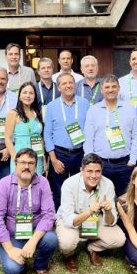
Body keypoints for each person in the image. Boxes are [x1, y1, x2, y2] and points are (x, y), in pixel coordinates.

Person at [0, 148, 58, 274]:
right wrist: (9, 249)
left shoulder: (43, 183)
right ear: (15, 164)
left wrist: (33, 241)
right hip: (12, 235)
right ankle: (16, 254)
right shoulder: (4, 183)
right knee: (13, 270)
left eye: (31, 163)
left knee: (51, 239)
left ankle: (40, 266)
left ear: (35, 165)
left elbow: (49, 215)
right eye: (22, 162)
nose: (26, 166)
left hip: (34, 232)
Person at [55, 153, 124, 271]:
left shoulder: (108, 184)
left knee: (119, 239)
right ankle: (69, 255)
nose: (94, 175)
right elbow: (67, 220)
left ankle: (93, 247)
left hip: (95, 219)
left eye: (98, 171)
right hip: (73, 219)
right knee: (66, 243)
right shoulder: (69, 184)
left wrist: (108, 211)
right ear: (81, 170)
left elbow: (111, 222)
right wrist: (89, 211)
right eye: (89, 171)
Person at [83, 74, 137, 196]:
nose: (111, 90)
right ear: (102, 89)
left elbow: (136, 134)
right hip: (101, 164)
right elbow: (88, 138)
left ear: (119, 88)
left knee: (124, 199)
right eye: (107, 87)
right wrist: (90, 162)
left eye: (114, 86)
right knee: (100, 198)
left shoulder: (129, 109)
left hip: (124, 164)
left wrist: (132, 159)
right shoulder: (93, 110)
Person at [44, 73, 91, 207]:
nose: (68, 85)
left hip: (80, 153)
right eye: (64, 83)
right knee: (58, 190)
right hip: (59, 154)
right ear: (58, 87)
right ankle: (59, 221)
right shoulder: (52, 106)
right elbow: (47, 134)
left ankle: (79, 218)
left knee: (81, 188)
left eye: (70, 82)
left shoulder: (84, 103)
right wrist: (53, 159)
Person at [5, 81, 46, 175]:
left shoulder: (37, 113)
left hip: (37, 156)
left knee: (36, 184)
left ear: (35, 96)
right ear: (19, 95)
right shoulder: (13, 114)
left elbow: (40, 138)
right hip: (20, 155)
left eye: (31, 93)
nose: (28, 96)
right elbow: (7, 138)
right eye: (24, 92)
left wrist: (43, 157)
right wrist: (16, 158)